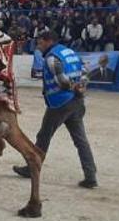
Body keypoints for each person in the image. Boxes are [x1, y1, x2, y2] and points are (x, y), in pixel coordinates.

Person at [13, 30, 98, 189]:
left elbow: (62, 82)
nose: (38, 46)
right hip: (77, 102)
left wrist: (73, 87)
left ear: (48, 41)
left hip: (60, 103)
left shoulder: (52, 58)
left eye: (40, 42)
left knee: (44, 136)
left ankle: (32, 169)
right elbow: (85, 73)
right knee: (80, 140)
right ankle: (90, 175)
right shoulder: (70, 52)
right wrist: (80, 87)